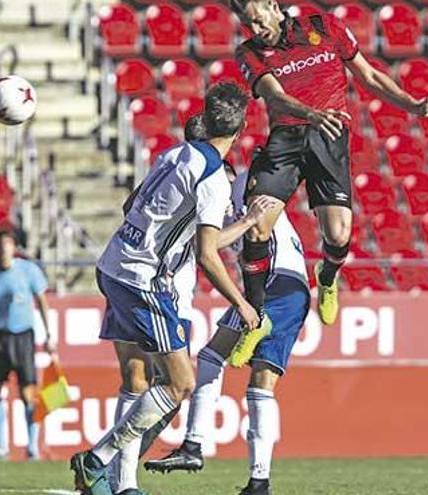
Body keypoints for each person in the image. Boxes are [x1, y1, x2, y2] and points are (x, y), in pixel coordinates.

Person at [69, 83, 273, 495]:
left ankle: (123, 483)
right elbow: (208, 255)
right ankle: (97, 459)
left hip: (114, 267)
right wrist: (242, 304)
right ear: (241, 126)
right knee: (180, 384)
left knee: (139, 378)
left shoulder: (172, 155)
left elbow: (132, 207)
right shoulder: (213, 179)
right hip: (147, 282)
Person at [228, 0, 428, 357]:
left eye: (258, 22)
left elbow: (369, 76)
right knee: (256, 229)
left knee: (338, 235)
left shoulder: (326, 27)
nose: (255, 31)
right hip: (287, 139)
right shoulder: (249, 52)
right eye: (248, 25)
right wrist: (312, 113)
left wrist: (415, 106)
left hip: (328, 138)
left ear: (273, 6)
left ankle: (328, 276)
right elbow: (274, 95)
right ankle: (256, 318)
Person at [144, 161, 310, 495]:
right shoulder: (218, 212)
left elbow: (228, 238)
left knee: (213, 358)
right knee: (259, 383)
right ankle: (258, 481)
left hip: (276, 280)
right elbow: (209, 245)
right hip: (288, 288)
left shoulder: (246, 182)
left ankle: (193, 446)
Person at [0, 229, 54, 461]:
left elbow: (42, 302)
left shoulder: (28, 270)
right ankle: (2, 446)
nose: (4, 249)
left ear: (14, 247)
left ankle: (33, 446)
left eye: (8, 244)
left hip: (23, 337)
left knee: (28, 393)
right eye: (1, 245)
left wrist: (49, 335)